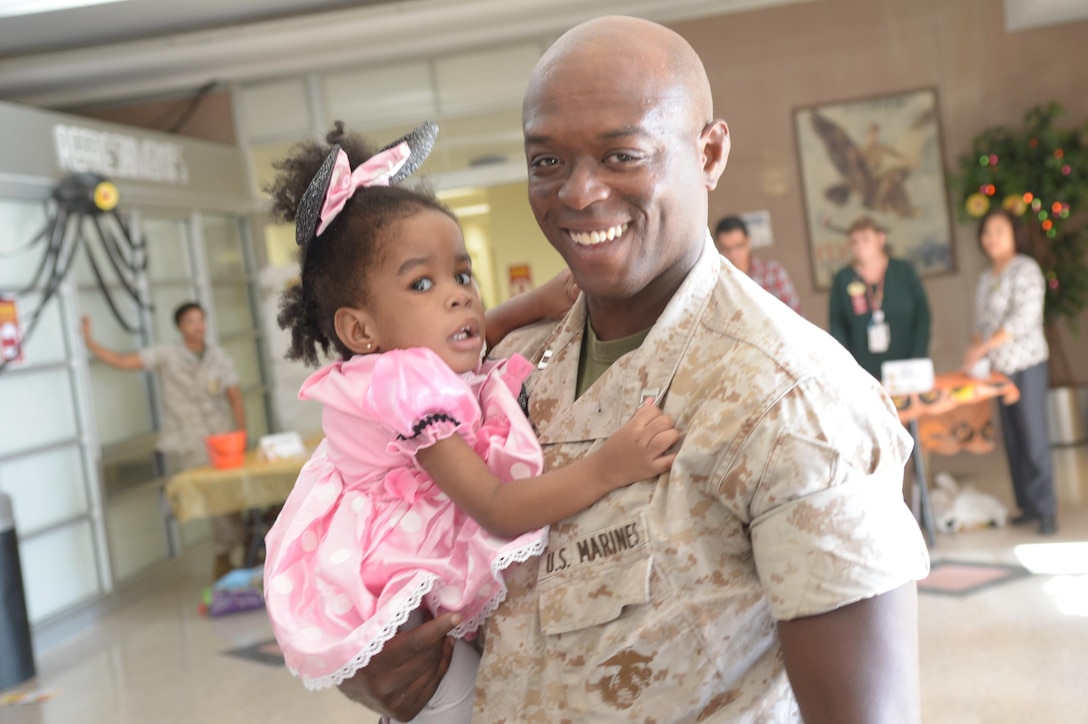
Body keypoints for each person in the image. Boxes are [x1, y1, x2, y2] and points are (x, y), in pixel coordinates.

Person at [338, 16, 930, 723]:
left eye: (622, 155)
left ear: (709, 153)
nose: (579, 194)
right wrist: (379, 674)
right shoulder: (506, 370)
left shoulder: (792, 402)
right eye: (547, 162)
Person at [261, 123, 679, 721]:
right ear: (360, 331)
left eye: (462, 274)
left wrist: (529, 306)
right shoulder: (407, 392)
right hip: (402, 601)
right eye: (422, 283)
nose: (459, 296)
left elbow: (473, 339)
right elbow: (497, 506)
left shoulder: (396, 362)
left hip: (400, 569)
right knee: (461, 704)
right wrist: (610, 466)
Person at [82, 303, 246, 579]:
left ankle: (228, 554)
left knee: (227, 500)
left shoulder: (218, 357)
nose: (198, 326)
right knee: (196, 499)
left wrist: (240, 436)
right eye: (190, 321)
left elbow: (235, 398)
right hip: (186, 442)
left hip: (220, 441)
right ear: (180, 327)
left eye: (201, 320)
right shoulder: (167, 355)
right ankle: (228, 551)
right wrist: (89, 341)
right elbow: (122, 362)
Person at [963, 208, 1056, 535]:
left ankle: (1046, 510)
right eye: (987, 232)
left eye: (998, 231)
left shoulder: (1025, 269)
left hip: (1026, 364)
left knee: (1033, 438)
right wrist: (974, 352)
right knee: (1013, 439)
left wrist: (985, 345)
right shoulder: (987, 277)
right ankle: (1027, 506)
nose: (992, 238)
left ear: (1013, 234)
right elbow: (980, 324)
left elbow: (1023, 319)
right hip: (998, 370)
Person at [828, 216, 931, 380]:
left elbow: (923, 315)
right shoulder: (844, 278)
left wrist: (918, 354)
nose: (860, 246)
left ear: (880, 239)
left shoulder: (903, 271)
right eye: (854, 242)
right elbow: (837, 324)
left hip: (906, 363)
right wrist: (847, 366)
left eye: (865, 239)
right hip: (863, 369)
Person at [713, 215, 802, 313]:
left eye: (738, 246)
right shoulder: (715, 281)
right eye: (726, 248)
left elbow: (795, 313)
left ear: (748, 242)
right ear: (718, 248)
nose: (734, 254)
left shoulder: (773, 272)